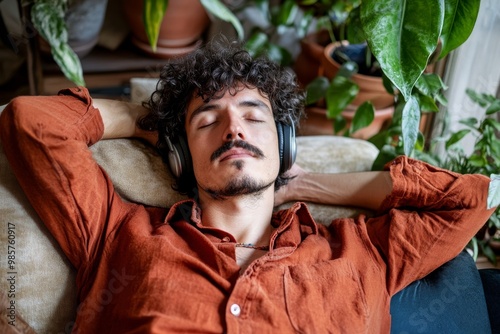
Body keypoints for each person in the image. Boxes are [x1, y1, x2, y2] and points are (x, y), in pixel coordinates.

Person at [0, 38, 496, 333]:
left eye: (253, 116)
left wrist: (306, 184)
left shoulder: (361, 253)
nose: (233, 130)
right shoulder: (117, 235)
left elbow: (473, 199)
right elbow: (32, 123)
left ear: (285, 142)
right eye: (207, 120)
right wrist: (147, 120)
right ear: (180, 156)